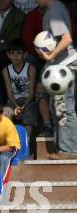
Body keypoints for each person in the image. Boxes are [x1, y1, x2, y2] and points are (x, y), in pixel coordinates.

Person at [36, 0, 77, 159]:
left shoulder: (53, 11)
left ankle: (69, 150)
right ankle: (64, 148)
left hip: (63, 66)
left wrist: (50, 55)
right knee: (58, 108)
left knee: (64, 108)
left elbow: (67, 38)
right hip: (61, 65)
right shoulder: (56, 7)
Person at [2, 38, 38, 140]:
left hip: (28, 100)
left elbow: (31, 93)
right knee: (5, 113)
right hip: (13, 101)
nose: (15, 56)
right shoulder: (6, 70)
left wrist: (22, 107)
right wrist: (16, 106)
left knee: (30, 111)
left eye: (19, 53)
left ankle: (26, 143)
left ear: (25, 55)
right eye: (12, 53)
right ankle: (7, 142)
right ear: (8, 55)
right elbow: (9, 93)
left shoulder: (30, 68)